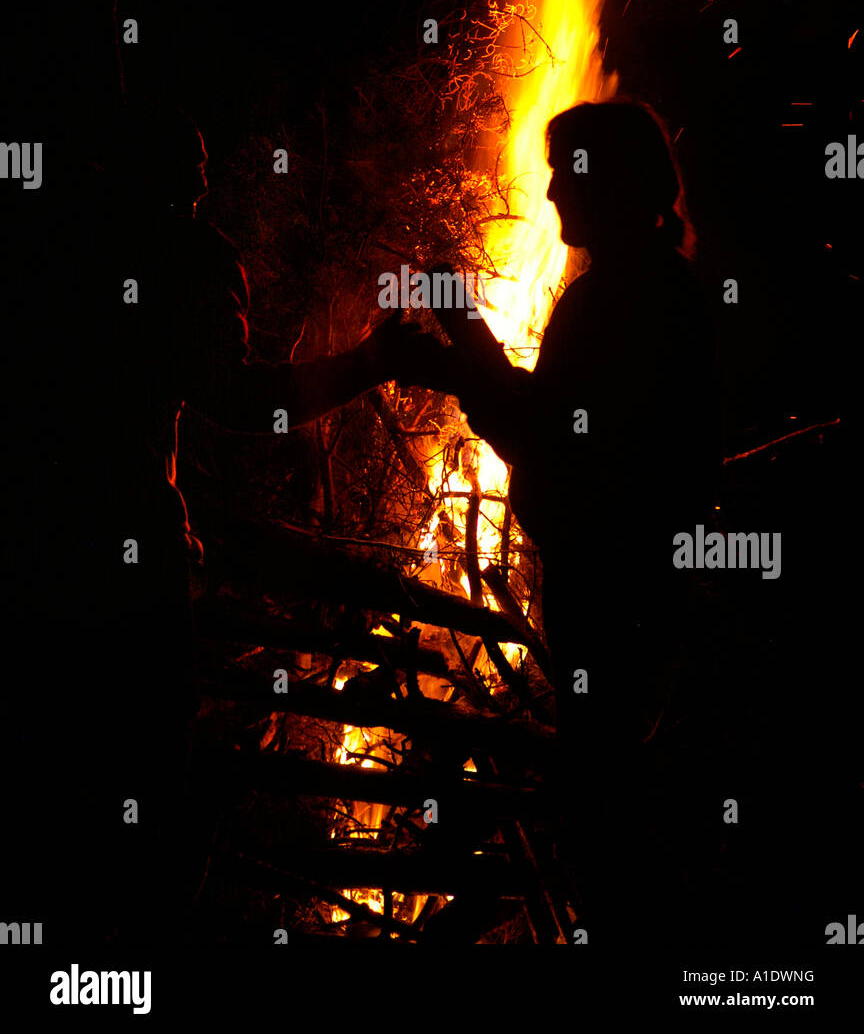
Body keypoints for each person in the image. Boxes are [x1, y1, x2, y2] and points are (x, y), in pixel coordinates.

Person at [0, 100, 425, 943]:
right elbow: (242, 399)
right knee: (142, 782)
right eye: (182, 169)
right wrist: (370, 364)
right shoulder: (177, 257)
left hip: (40, 547)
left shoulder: (48, 235)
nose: (199, 181)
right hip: (118, 554)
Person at [408, 98, 721, 939]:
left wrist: (464, 338)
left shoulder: (616, 302)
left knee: (603, 819)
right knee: (611, 803)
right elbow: (558, 424)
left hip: (614, 595)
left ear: (610, 183)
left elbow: (544, 438)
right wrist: (460, 356)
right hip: (638, 592)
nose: (548, 193)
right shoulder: (659, 290)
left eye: (565, 172)